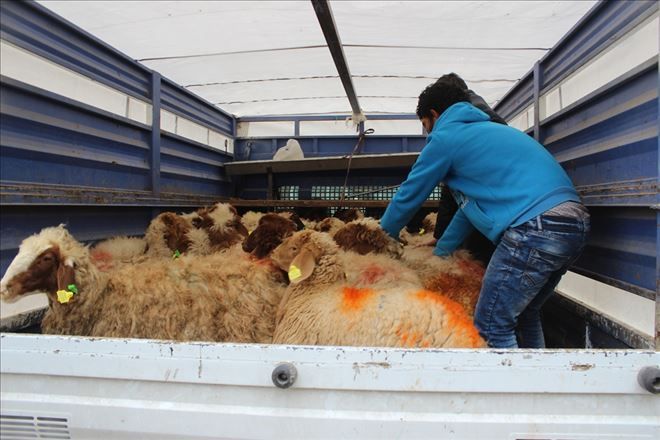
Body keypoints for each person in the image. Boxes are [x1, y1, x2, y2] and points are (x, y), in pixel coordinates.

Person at [379, 78, 590, 349]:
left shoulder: (446, 137)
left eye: (424, 124)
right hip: (573, 225)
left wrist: (381, 236)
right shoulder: (488, 132)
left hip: (536, 227)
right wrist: (442, 252)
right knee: (526, 313)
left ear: (434, 115)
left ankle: (512, 378)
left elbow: (410, 193)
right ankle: (537, 374)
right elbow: (469, 211)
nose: (426, 132)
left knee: (492, 325)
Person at [431, 73, 505, 265]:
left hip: (492, 214)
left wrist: (440, 238)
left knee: (474, 259)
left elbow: (452, 190)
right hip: (504, 209)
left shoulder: (462, 124)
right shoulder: (488, 117)